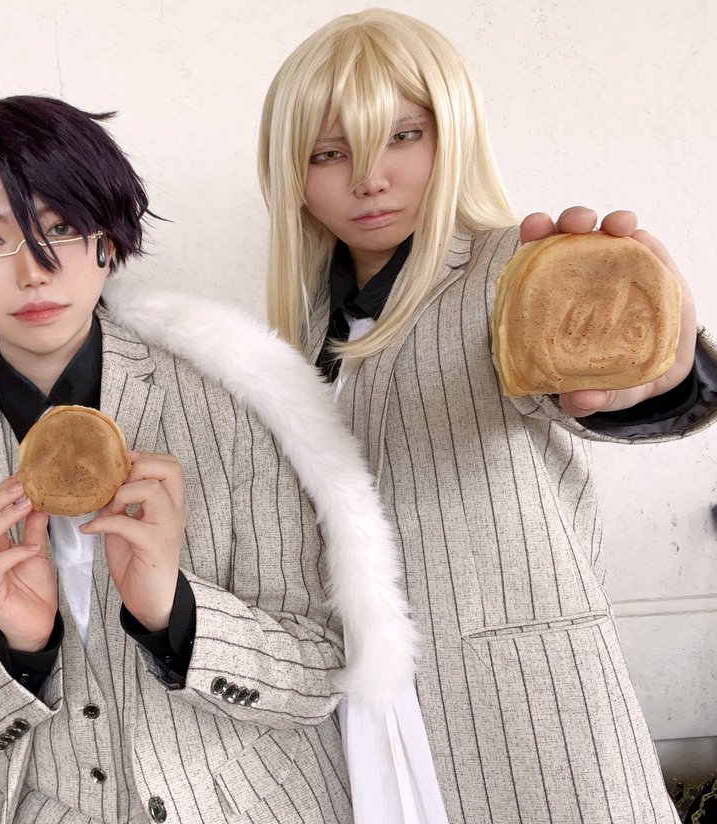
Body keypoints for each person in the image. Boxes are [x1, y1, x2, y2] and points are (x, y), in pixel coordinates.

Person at [0, 94, 419, 824]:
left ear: (108, 239)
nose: (33, 270)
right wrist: (16, 648)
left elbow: (326, 669)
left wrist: (176, 611)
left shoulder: (232, 398)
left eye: (61, 228)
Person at [258, 9, 717, 824]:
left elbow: (607, 390)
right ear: (290, 172)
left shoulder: (517, 271)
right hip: (370, 716)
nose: (369, 179)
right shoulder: (305, 331)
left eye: (403, 137)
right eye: (330, 154)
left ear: (454, 134)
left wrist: (663, 378)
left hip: (524, 715)